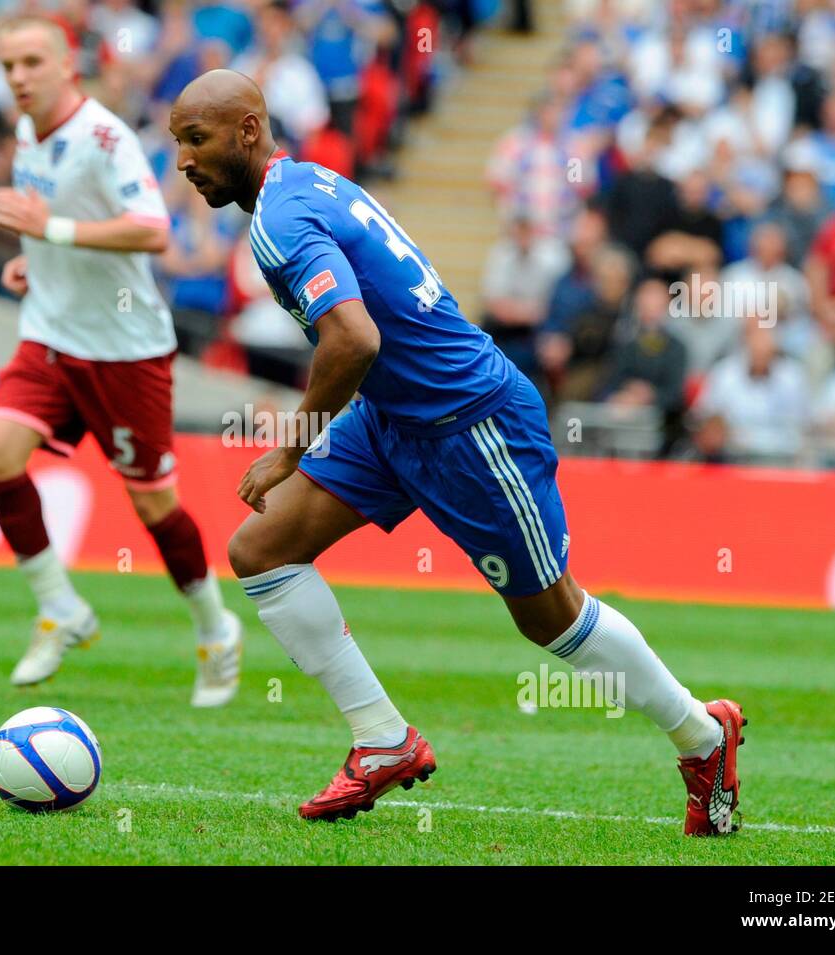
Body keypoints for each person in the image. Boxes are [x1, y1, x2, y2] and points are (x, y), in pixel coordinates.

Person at [169, 70, 745, 832]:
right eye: (177, 143)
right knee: (262, 548)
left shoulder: (282, 216)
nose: (182, 161)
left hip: (471, 425)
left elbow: (354, 336)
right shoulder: (310, 183)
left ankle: (703, 736)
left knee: (550, 617)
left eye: (195, 139)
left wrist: (289, 449)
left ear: (247, 131)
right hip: (393, 413)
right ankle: (381, 740)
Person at [0, 17, 242, 704]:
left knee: (154, 504)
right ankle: (60, 607)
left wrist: (51, 231)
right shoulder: (29, 134)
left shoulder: (104, 137)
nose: (18, 78)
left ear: (70, 65)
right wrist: (34, 263)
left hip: (125, 351)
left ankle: (216, 629)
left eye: (32, 61)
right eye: (8, 66)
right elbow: (54, 230)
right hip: (51, 336)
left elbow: (153, 230)